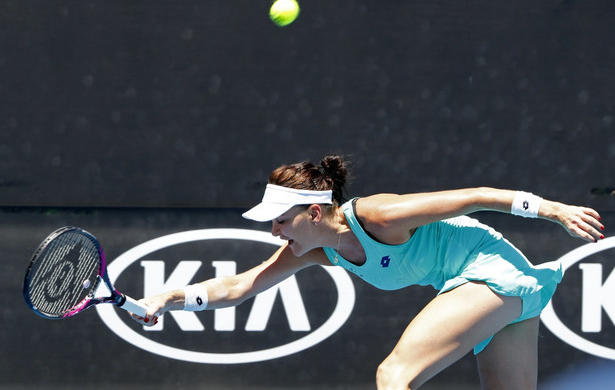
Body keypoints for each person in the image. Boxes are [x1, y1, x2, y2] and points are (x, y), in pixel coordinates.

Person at [132, 155, 604, 390]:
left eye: (280, 220)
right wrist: (167, 299)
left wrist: (552, 210)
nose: (275, 231)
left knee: (394, 374)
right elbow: (237, 287)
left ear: (314, 213)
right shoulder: (313, 249)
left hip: (491, 270)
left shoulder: (379, 215)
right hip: (504, 290)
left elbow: (476, 195)